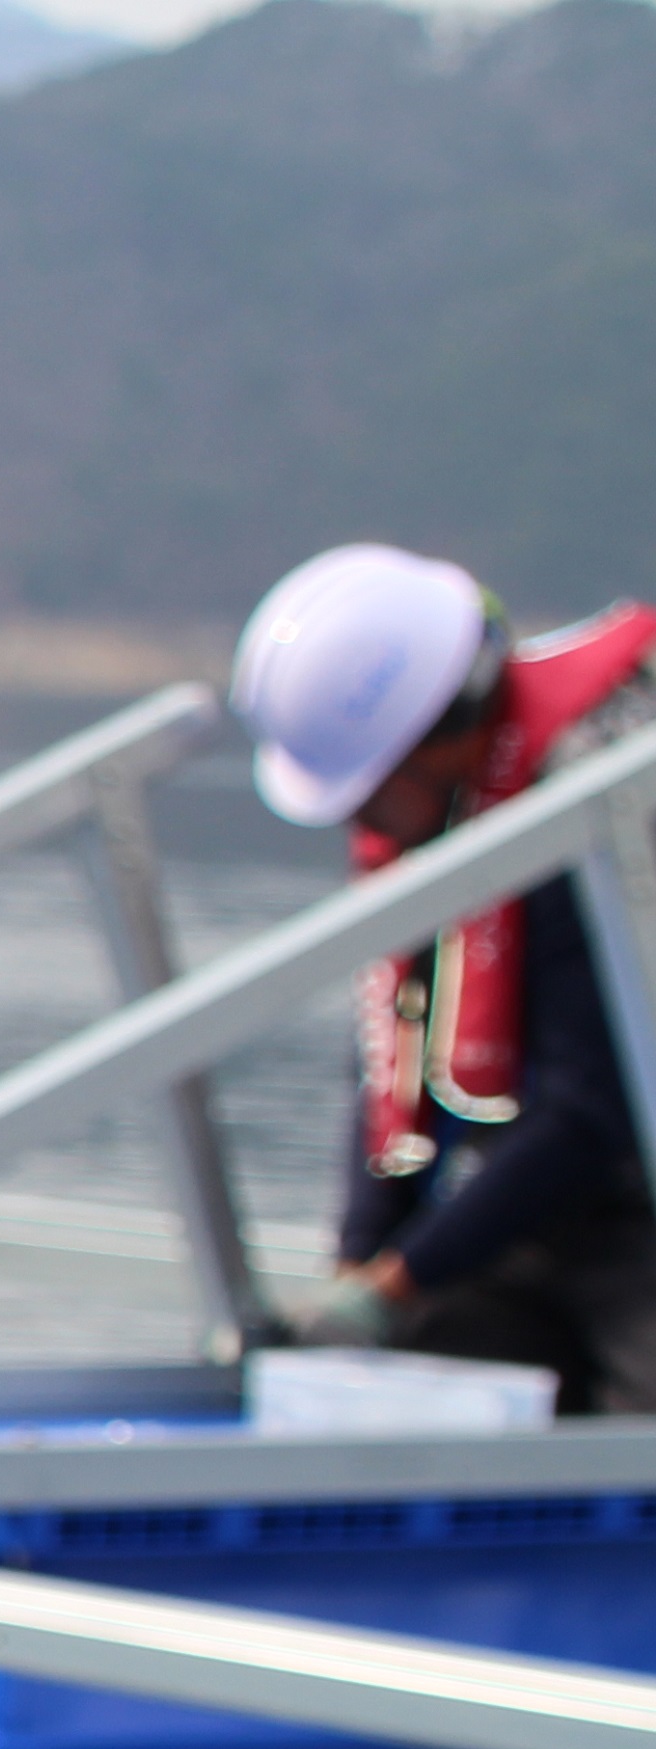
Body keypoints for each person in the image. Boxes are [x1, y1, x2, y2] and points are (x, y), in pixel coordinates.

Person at [229, 543, 656, 1408]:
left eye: (374, 791)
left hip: (626, 1189)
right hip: (567, 1207)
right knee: (430, 1359)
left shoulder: (597, 804)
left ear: (445, 737)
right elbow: (396, 1058)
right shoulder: (453, 820)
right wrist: (360, 1266)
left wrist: (393, 1286)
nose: (364, 821)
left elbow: (593, 1105)